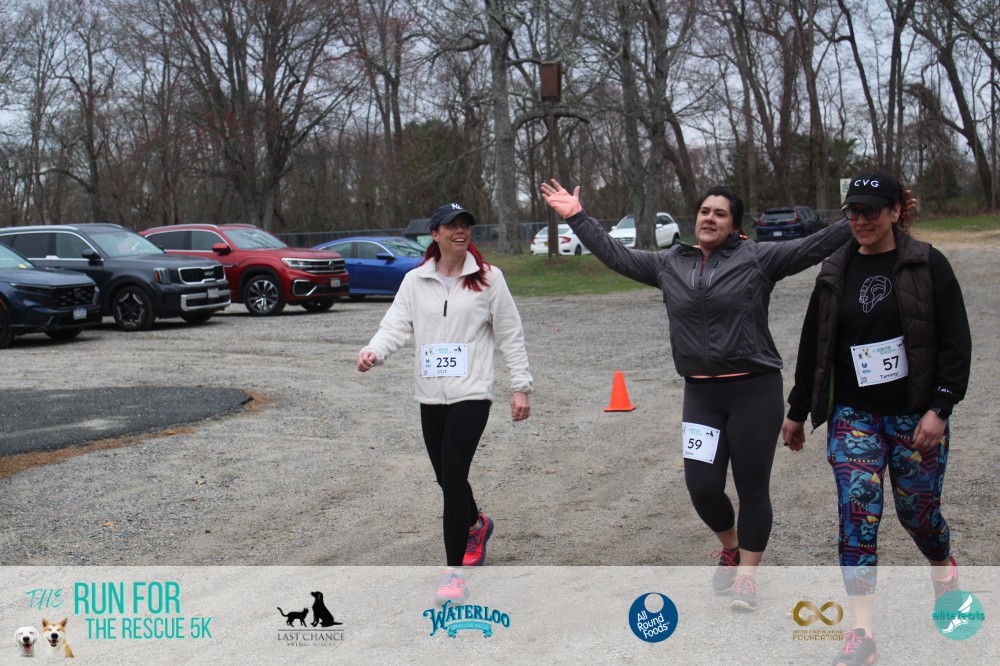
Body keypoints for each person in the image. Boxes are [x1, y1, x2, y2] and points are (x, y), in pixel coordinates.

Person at [540, 179, 855, 611]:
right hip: (702, 394)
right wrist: (577, 217)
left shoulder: (758, 258)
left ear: (735, 225)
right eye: (705, 211)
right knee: (702, 487)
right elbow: (616, 255)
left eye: (720, 213)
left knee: (752, 488)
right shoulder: (670, 263)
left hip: (754, 390)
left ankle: (747, 578)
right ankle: (731, 546)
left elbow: (814, 245)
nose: (709, 218)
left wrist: (858, 213)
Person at [780, 170, 970, 666]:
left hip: (915, 417)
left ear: (895, 211)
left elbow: (956, 343)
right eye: (852, 211)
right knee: (857, 515)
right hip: (855, 417)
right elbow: (814, 346)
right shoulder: (834, 270)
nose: (860, 220)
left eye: (870, 211)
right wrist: (797, 411)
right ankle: (862, 632)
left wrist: (940, 409)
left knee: (918, 515)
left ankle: (942, 565)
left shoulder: (928, 264)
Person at [357, 202, 532, 604]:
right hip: (430, 395)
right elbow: (394, 326)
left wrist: (520, 386)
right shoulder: (415, 281)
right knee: (445, 478)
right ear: (434, 234)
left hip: (472, 394)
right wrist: (373, 352)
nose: (460, 231)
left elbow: (510, 334)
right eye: (451, 226)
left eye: (465, 225)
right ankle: (476, 524)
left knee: (453, 477)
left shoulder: (489, 279)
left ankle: (454, 575)